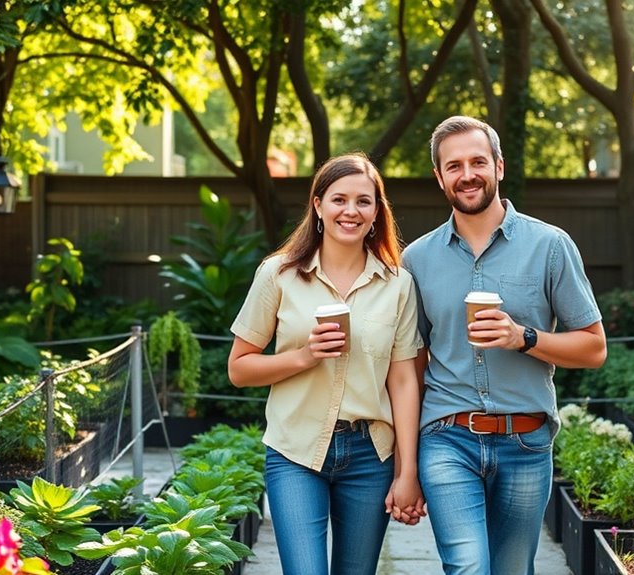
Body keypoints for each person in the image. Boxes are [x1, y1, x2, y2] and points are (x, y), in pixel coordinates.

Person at [403, 116, 607, 575]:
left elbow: (594, 348)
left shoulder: (550, 246)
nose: (467, 174)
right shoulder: (416, 259)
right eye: (453, 166)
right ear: (439, 177)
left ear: (499, 166)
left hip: (525, 441)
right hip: (446, 436)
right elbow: (410, 367)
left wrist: (524, 337)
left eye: (478, 161)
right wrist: (406, 466)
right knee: (469, 566)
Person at [227, 152, 425, 575]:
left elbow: (405, 381)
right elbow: (239, 368)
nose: (350, 211)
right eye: (338, 199)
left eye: (363, 201)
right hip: (296, 450)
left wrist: (408, 472)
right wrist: (304, 356)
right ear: (317, 205)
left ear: (376, 212)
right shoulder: (279, 274)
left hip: (371, 457)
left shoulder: (398, 284)